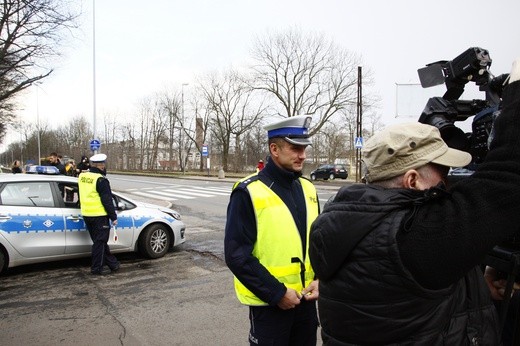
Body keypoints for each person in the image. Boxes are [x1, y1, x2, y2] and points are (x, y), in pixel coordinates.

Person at [309, 59, 520, 345]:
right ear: (411, 181)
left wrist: (476, 289)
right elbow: (508, 178)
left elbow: (413, 302)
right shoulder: (414, 238)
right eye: (443, 173)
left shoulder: (346, 220)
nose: (450, 183)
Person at [225, 115, 320, 345]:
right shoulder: (248, 192)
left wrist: (319, 279)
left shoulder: (307, 187)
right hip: (270, 307)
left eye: (304, 148)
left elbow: (317, 241)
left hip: (306, 304)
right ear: (274, 149)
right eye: (296, 148)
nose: (303, 155)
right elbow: (237, 255)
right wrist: (277, 294)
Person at [78, 153, 120, 275]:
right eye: (104, 164)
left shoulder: (82, 176)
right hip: (99, 215)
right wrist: (113, 216)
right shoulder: (101, 180)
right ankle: (96, 268)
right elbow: (107, 200)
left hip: (86, 214)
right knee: (100, 243)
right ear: (101, 165)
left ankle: (113, 264)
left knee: (99, 242)